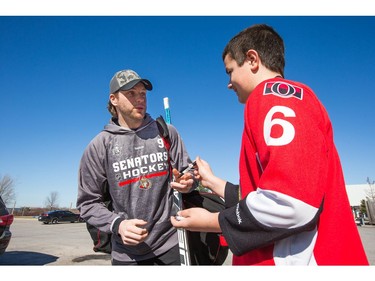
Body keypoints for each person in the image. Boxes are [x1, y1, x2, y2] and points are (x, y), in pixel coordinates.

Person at [171, 24, 369, 265]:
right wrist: (212, 181)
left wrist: (212, 221)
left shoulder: (272, 96)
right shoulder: (283, 98)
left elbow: (291, 203)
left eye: (230, 71)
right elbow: (266, 193)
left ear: (252, 59)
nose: (229, 83)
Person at [77, 69, 195, 265]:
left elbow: (187, 171)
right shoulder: (99, 146)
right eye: (131, 93)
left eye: (142, 93)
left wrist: (189, 181)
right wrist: (118, 225)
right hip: (126, 254)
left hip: (171, 245)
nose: (139, 99)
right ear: (114, 99)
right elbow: (87, 203)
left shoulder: (165, 132)